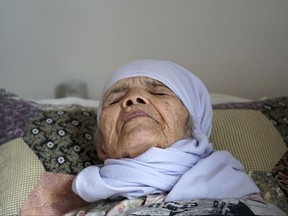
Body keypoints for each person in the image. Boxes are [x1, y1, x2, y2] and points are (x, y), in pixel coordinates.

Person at [71, 60, 285, 215]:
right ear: (102, 147)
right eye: (115, 98)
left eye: (159, 91)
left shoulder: (249, 197)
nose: (133, 98)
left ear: (193, 126)